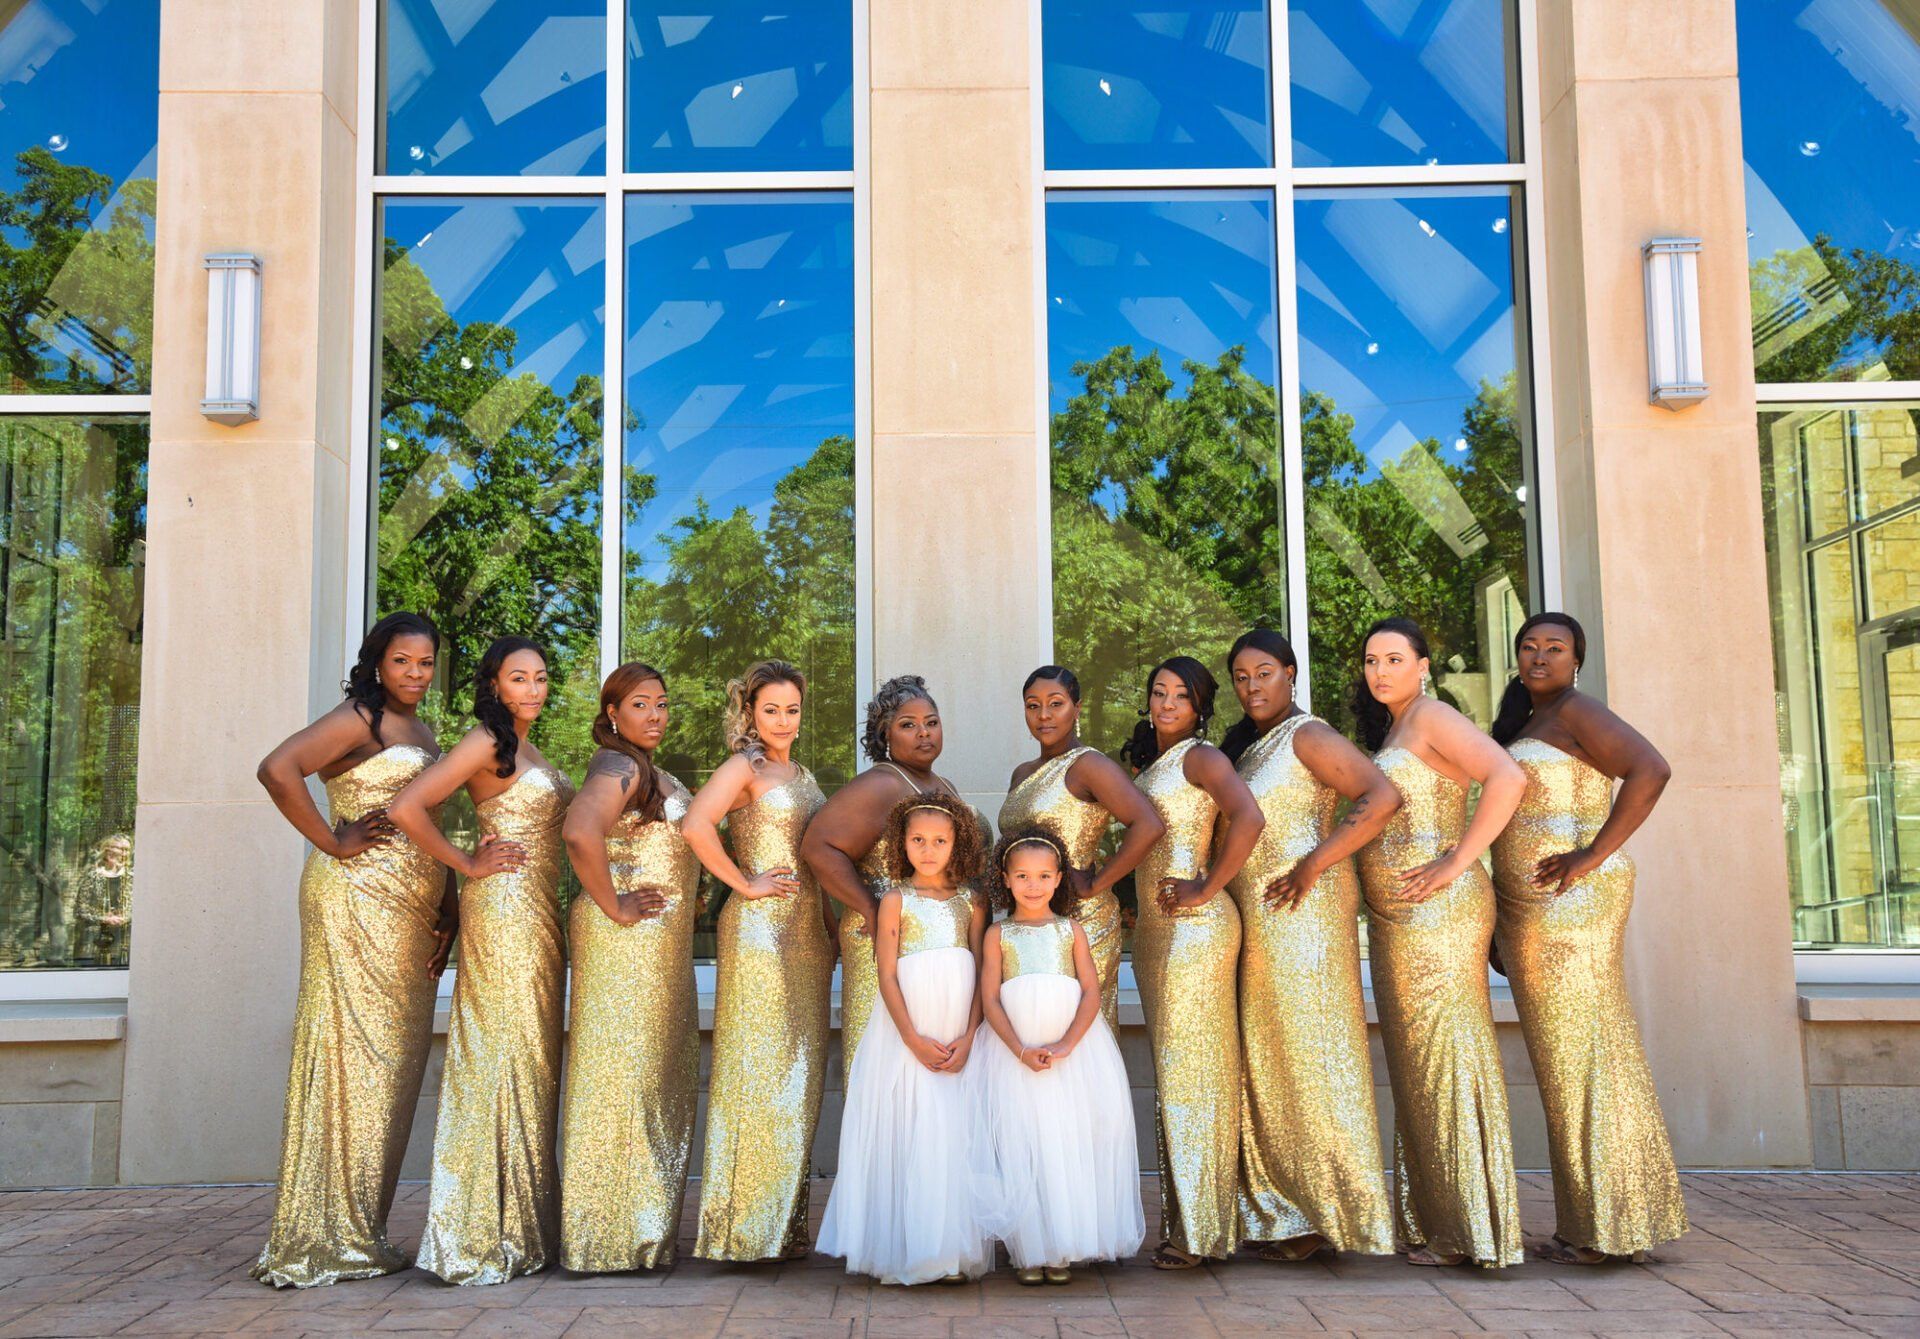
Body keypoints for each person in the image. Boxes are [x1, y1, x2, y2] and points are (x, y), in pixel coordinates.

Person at [251, 612, 457, 1288]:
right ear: (376, 662)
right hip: (354, 904)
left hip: (408, 911)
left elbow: (429, 817)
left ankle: (359, 1223)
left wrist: (447, 898)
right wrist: (331, 840)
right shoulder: (358, 718)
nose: (417, 675)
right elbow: (277, 768)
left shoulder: (421, 729)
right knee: (351, 1056)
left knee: (391, 1065)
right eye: (403, 662)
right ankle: (324, 1231)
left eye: (426, 663)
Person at [1488, 613, 1688, 1264]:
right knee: (1565, 1062)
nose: (1540, 656)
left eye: (1556, 648)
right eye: (1529, 646)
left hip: (1574, 904)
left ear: (1579, 660)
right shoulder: (1529, 720)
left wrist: (1591, 854)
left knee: (1589, 1054)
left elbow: (1651, 769)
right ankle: (1592, 1219)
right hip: (1531, 911)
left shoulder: (1578, 711)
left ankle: (1613, 1223)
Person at [389, 636, 569, 1285]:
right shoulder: (483, 741)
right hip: (505, 911)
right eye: (518, 677)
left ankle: (519, 1225)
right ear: (494, 684)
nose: (533, 688)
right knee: (499, 1056)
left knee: (528, 1058)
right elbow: (405, 806)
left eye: (541, 677)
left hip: (539, 912)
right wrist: (466, 862)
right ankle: (476, 1233)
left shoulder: (527, 745)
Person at [1352, 617, 1526, 1269]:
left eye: (1394, 658)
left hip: (1439, 914)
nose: (1380, 671)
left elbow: (1507, 776)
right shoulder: (1397, 727)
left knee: (1450, 1057)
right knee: (1421, 1067)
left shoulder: (1430, 716)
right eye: (1372, 661)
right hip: (1400, 920)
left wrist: (1456, 861)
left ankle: (1478, 1231)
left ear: (1423, 664)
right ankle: (1441, 1221)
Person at [1220, 629, 1399, 1260]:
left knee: (1317, 1054)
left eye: (1263, 673)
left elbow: (1382, 796)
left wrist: (1314, 863)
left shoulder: (1308, 735)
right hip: (1263, 924)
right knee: (1276, 1061)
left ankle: (1337, 1210)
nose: (1252, 687)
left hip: (1306, 915)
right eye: (1241, 677)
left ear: (1291, 673)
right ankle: (1288, 1214)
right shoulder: (1254, 745)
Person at [684, 660, 835, 1262]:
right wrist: (743, 884)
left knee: (795, 1077)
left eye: (791, 708)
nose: (782, 719)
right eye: (769, 709)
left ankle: (780, 1226)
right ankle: (742, 1231)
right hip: (758, 935)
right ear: (750, 713)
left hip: (804, 938)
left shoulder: (799, 772)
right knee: (756, 1074)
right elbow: (696, 826)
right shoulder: (742, 767)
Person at [557, 662, 700, 1272]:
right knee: (621, 1080)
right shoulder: (617, 765)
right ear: (612, 713)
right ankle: (608, 1239)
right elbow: (578, 831)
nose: (656, 715)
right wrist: (612, 902)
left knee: (648, 1076)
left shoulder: (645, 769)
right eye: (641, 704)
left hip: (654, 947)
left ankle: (638, 1231)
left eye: (662, 703)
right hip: (627, 942)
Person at [1125, 656, 1265, 1270]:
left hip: (1196, 931)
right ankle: (1192, 1222)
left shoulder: (1202, 758)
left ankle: (1203, 1233)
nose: (1167, 704)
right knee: (1178, 1077)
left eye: (1181, 696)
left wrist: (1207, 887)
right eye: (1159, 692)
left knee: (1195, 1080)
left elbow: (1250, 818)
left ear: (1200, 707)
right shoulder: (1148, 763)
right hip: (1157, 934)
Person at [816, 793, 991, 1285]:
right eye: (918, 840)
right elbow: (886, 974)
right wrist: (911, 1038)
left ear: (958, 844)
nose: (929, 850)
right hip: (906, 1032)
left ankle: (950, 1251)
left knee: (951, 1133)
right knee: (909, 1126)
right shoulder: (894, 900)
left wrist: (970, 1034)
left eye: (940, 841)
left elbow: (983, 971)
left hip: (957, 1028)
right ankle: (905, 1249)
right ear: (903, 844)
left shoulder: (971, 901)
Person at [968, 824, 1144, 1285]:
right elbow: (989, 999)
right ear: (1005, 878)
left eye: (1044, 876)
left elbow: (1091, 990)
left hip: (1072, 1054)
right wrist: (1020, 1049)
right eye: (1022, 876)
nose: (1033, 885)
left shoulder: (1071, 930)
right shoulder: (998, 934)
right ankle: (1030, 1249)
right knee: (1024, 1142)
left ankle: (1061, 1245)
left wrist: (1067, 1044)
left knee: (1065, 1141)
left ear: (1059, 877)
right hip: (1017, 1054)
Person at [801, 676, 985, 1084]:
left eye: (931, 722)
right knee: (889, 1075)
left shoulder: (939, 784)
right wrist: (871, 907)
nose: (924, 733)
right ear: (885, 733)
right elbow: (818, 847)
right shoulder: (884, 783)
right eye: (908, 724)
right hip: (890, 942)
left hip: (937, 946)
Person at [999, 666, 1164, 1026]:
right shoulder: (1022, 773)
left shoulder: (1089, 765)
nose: (1043, 715)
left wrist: (1096, 883)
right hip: (1029, 922)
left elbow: (1148, 825)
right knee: (1032, 1027)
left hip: (1082, 921)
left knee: (1079, 1036)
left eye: (1055, 703)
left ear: (1077, 707)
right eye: (1033, 705)